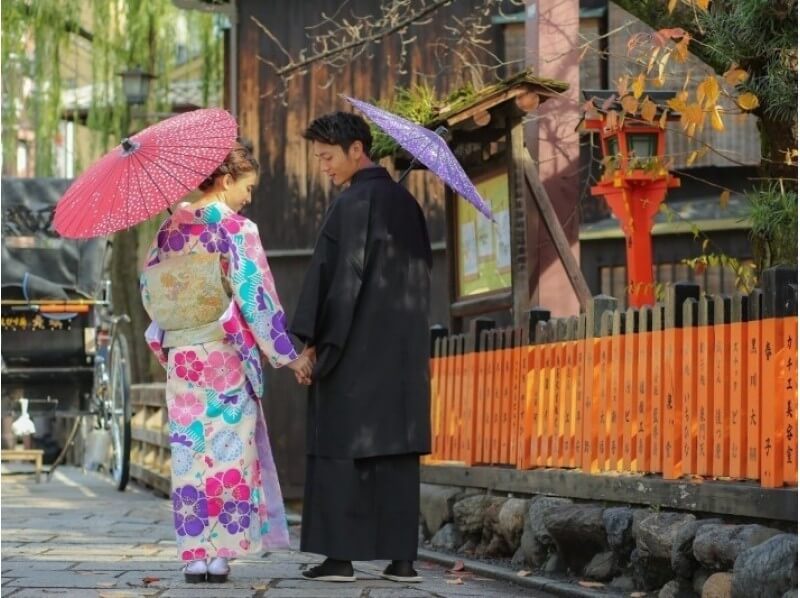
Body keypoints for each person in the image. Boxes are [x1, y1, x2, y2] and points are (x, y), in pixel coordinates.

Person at [140, 140, 313, 584]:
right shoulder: (237, 230)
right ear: (226, 179)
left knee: (189, 453)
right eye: (247, 187)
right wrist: (288, 355)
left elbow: (150, 293)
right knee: (229, 452)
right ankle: (220, 553)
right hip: (222, 356)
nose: (249, 198)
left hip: (183, 359)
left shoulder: (168, 230)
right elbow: (257, 298)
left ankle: (193, 554)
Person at [290, 111, 432, 583]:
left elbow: (337, 282)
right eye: (319, 158)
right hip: (401, 356)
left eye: (328, 157)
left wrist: (313, 346)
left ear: (357, 150)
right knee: (396, 451)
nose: (324, 167)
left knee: (338, 446)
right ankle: (402, 560)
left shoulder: (351, 205)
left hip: (354, 351)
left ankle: (339, 557)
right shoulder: (407, 206)